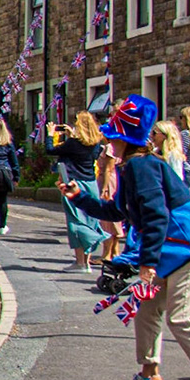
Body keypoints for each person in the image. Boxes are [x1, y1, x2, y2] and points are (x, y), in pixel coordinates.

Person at [61, 94, 190, 380]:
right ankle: (149, 376)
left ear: (121, 138)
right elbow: (116, 210)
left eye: (111, 133)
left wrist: (145, 263)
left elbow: (158, 216)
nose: (106, 137)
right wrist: (79, 197)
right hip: (174, 245)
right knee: (146, 308)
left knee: (183, 317)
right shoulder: (135, 166)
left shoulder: (142, 167)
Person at [49, 112, 106, 271]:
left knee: (75, 221)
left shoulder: (73, 143)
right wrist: (71, 135)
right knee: (90, 220)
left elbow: (51, 150)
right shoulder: (96, 143)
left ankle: (80, 262)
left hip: (75, 184)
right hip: (91, 183)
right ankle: (86, 262)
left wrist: (49, 134)